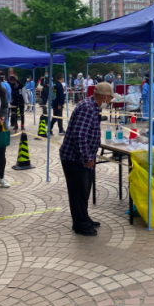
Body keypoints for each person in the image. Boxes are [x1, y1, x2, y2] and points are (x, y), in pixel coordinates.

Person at [60, 82, 114, 236]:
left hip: (82, 157)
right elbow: (80, 134)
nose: (110, 101)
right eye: (110, 98)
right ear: (104, 97)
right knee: (77, 191)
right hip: (74, 158)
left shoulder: (92, 107)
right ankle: (80, 224)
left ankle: (84, 217)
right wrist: (87, 157)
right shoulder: (87, 108)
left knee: (84, 189)